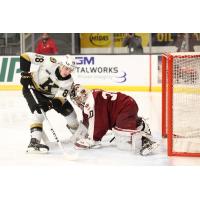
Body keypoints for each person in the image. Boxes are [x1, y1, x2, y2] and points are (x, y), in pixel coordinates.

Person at [70, 84, 159, 156]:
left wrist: (93, 140)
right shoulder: (92, 94)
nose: (77, 102)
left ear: (82, 95)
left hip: (124, 108)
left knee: (122, 142)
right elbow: (88, 119)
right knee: (120, 130)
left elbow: (100, 124)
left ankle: (145, 141)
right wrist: (79, 134)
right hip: (126, 104)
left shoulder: (90, 103)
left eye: (77, 99)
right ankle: (140, 124)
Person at [20, 52, 79, 153]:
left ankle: (79, 136)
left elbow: (59, 100)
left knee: (71, 114)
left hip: (52, 97)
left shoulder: (68, 82)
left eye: (70, 70)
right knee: (38, 113)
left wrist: (49, 104)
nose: (67, 72)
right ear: (61, 65)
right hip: (33, 89)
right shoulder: (49, 61)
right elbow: (26, 56)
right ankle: (34, 142)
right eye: (66, 68)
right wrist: (25, 74)